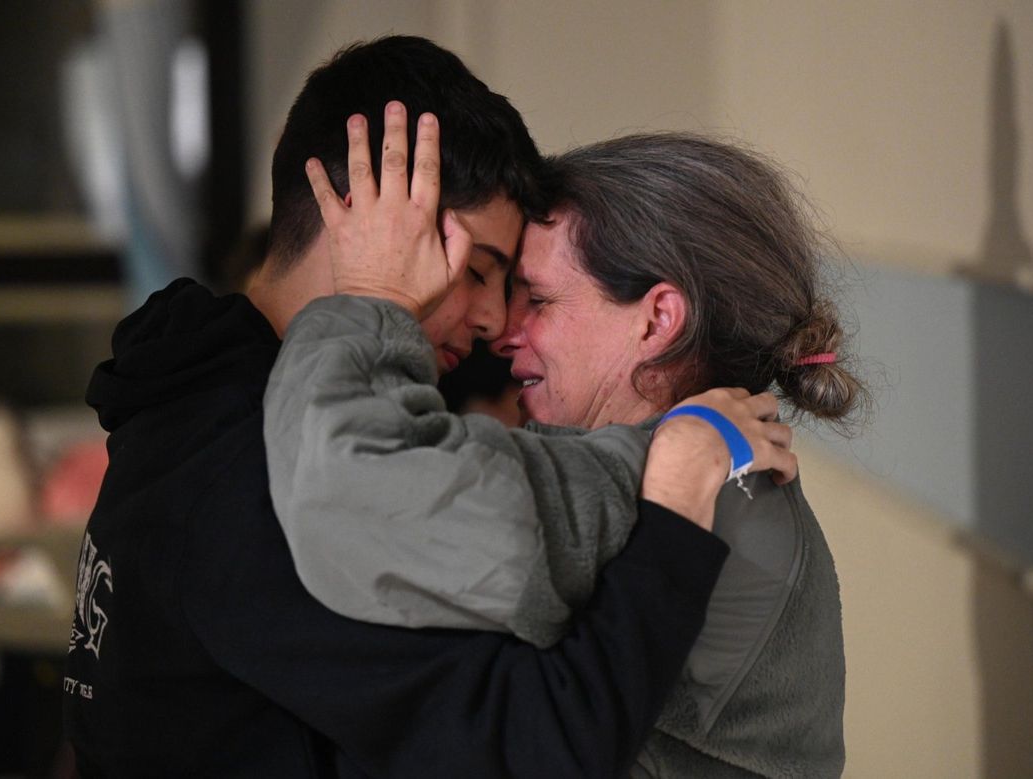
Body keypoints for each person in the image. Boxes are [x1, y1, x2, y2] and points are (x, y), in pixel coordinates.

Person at [63, 36, 795, 777]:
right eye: (478, 270)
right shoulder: (268, 475)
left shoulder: (189, 389)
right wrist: (672, 511)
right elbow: (536, 745)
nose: (493, 321)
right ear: (367, 217)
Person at [266, 132, 865, 776]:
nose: (503, 331)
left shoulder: (663, 477)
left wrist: (371, 294)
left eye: (540, 300)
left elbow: (349, 483)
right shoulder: (727, 476)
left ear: (658, 320)